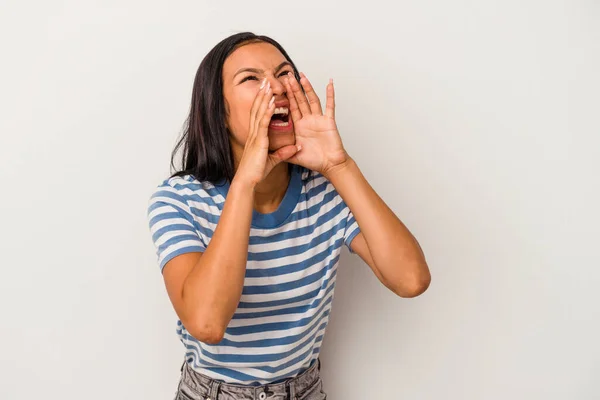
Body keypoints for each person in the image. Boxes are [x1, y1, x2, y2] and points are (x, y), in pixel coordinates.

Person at [147, 31, 431, 400]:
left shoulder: (325, 190)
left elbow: (410, 280)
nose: (277, 87)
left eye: (284, 73)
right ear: (217, 109)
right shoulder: (178, 200)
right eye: (251, 78)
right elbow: (207, 323)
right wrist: (245, 183)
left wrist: (339, 166)